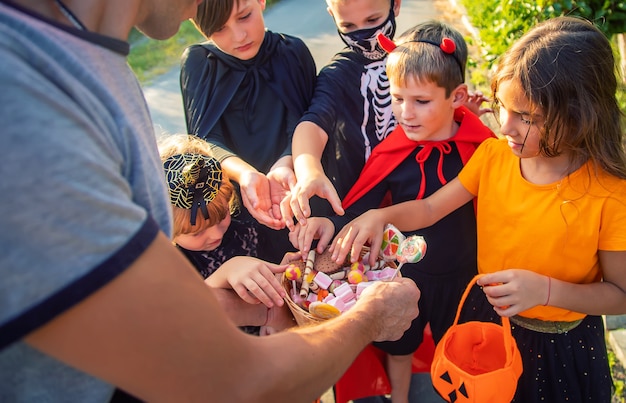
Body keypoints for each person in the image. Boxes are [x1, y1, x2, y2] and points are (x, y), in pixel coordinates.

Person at [0, 1, 421, 402]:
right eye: (214, 23)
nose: (200, 16)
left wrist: (257, 308)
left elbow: (155, 318)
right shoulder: (26, 102)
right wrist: (366, 318)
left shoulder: (86, 62)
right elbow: (237, 381)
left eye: (240, 14)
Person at [329, 16, 626, 402]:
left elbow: (620, 294)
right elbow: (431, 208)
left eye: (527, 117)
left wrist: (547, 291)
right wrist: (380, 216)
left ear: (578, 116)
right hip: (489, 328)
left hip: (561, 350)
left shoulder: (610, 194)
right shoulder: (492, 157)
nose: (505, 126)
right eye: (503, 106)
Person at [290, 21, 495, 402]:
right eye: (398, 99)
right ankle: (399, 398)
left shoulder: (480, 147)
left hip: (465, 275)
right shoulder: (393, 150)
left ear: (457, 96)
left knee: (462, 347)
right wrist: (328, 222)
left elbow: (492, 208)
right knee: (400, 347)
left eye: (420, 101)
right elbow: (361, 207)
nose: (406, 113)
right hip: (405, 276)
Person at [180, 0, 317, 263]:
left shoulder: (292, 51)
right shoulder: (200, 62)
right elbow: (204, 140)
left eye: (245, 17)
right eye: (219, 28)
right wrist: (246, 175)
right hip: (241, 207)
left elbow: (306, 121)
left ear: (261, 2)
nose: (238, 36)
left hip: (295, 190)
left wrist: (286, 161)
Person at [158, 133, 294, 335]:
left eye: (222, 216)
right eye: (196, 233)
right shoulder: (170, 263)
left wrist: (281, 276)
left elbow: (272, 267)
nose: (214, 234)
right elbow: (185, 310)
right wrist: (224, 274)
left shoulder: (248, 230)